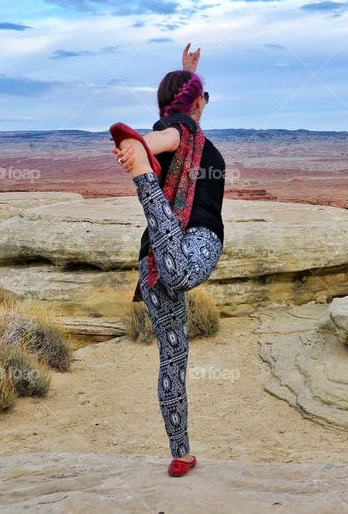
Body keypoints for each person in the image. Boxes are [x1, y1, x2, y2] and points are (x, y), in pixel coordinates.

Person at [109, 43, 226, 477]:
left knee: (173, 357)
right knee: (174, 350)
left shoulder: (177, 128)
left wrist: (186, 72)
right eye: (203, 97)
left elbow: (164, 128)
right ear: (198, 103)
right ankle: (180, 453)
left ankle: (182, 452)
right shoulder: (184, 132)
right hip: (193, 241)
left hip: (153, 257)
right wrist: (139, 149)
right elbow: (165, 133)